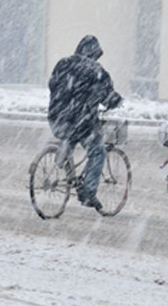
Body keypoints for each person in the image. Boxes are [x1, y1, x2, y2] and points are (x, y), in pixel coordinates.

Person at [47, 34, 122, 210]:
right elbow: (108, 95)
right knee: (98, 152)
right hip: (81, 121)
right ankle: (88, 192)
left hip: (56, 118)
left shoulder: (62, 63)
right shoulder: (97, 70)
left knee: (69, 137)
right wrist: (116, 101)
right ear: (95, 54)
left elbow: (52, 85)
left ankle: (63, 159)